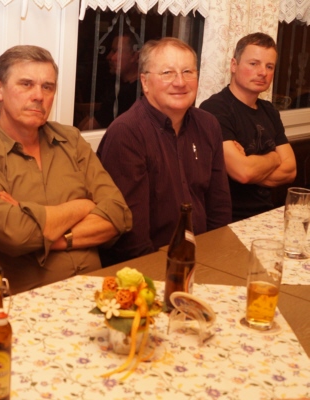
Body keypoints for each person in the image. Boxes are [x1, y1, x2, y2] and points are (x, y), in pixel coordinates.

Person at [0, 45, 132, 294]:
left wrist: (53, 238)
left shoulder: (71, 140)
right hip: (20, 304)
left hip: (96, 293)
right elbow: (16, 235)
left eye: (47, 87)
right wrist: (83, 206)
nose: (38, 95)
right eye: (26, 84)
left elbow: (119, 215)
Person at [96, 37, 232, 265]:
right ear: (145, 82)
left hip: (203, 256)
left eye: (188, 72)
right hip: (150, 265)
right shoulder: (127, 133)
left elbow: (219, 208)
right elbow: (132, 239)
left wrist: (216, 259)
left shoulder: (208, 125)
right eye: (167, 73)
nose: (180, 82)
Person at [200, 32, 296, 221]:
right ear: (234, 65)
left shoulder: (269, 110)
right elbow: (243, 173)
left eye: (269, 66)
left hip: (266, 215)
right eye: (254, 63)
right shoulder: (215, 109)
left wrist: (251, 167)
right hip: (227, 220)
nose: (263, 72)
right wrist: (274, 157)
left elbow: (290, 170)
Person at [78, 31, 140, 131]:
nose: (109, 57)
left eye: (115, 51)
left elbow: (87, 131)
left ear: (134, 56)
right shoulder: (119, 85)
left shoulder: (131, 94)